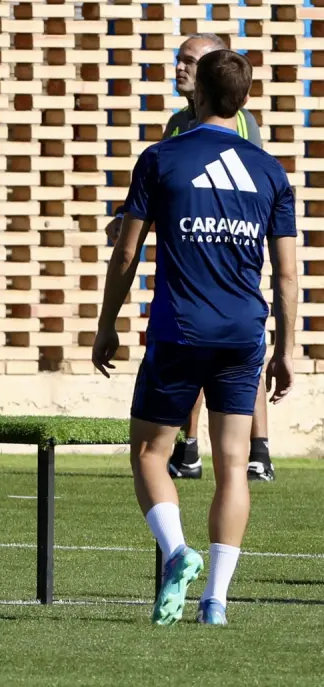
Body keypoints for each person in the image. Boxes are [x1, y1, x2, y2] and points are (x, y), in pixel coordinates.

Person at [92, 50, 297, 625]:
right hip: (243, 334)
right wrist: (286, 349)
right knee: (234, 465)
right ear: (245, 100)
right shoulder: (270, 171)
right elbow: (286, 274)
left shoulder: (162, 158)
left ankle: (178, 551)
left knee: (149, 453)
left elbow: (127, 251)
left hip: (179, 330)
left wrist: (107, 324)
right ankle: (216, 603)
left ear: (199, 94)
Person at [105, 33, 274, 482]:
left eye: (190, 61)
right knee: (215, 353)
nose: (179, 67)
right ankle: (191, 447)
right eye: (177, 59)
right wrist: (128, 218)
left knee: (228, 352)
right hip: (191, 273)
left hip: (223, 267)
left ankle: (259, 448)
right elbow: (167, 194)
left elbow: (237, 192)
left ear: (212, 74)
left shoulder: (240, 124)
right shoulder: (177, 124)